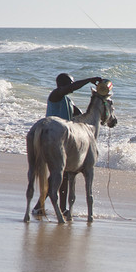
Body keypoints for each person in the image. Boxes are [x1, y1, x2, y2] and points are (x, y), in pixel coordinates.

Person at [33, 73, 103, 216]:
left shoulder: (69, 102)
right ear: (63, 85)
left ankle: (58, 208)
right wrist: (89, 80)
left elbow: (82, 115)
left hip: (65, 141)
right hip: (52, 139)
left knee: (62, 176)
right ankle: (41, 206)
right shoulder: (55, 96)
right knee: (58, 175)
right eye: (70, 84)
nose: (71, 88)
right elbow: (71, 88)